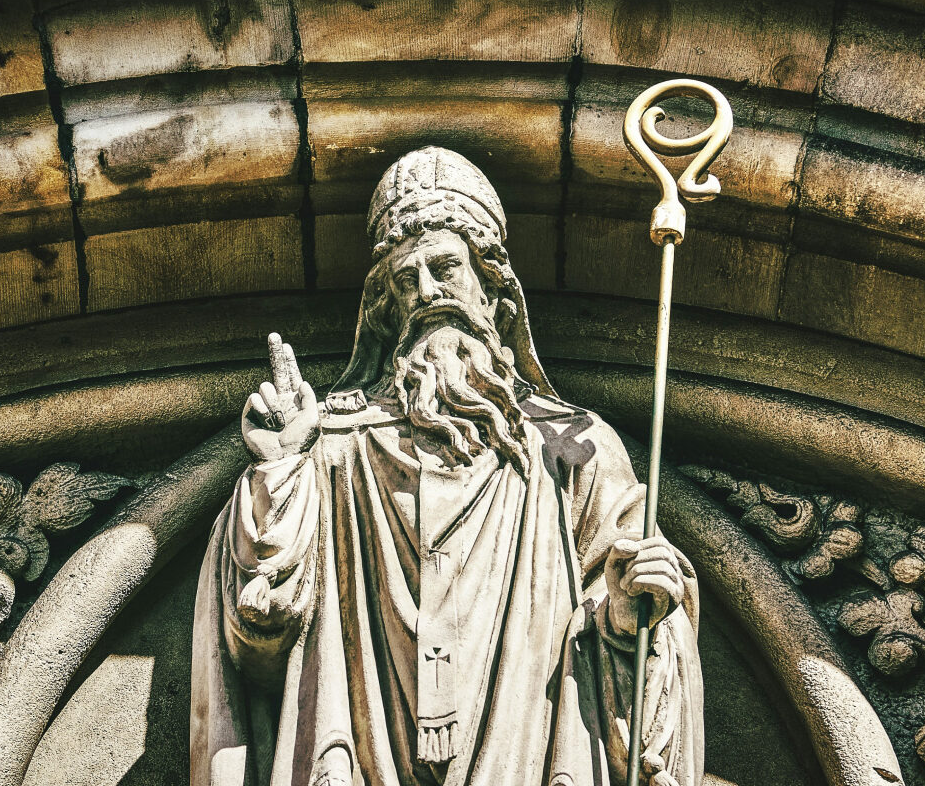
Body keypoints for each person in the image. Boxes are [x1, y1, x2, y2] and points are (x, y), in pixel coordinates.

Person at [192, 147, 702, 786]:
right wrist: (279, 469)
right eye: (407, 280)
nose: (428, 291)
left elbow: (636, 627)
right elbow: (259, 636)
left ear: (491, 287)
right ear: (387, 308)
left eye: (445, 267)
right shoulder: (333, 450)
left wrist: (633, 611)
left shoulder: (575, 449)